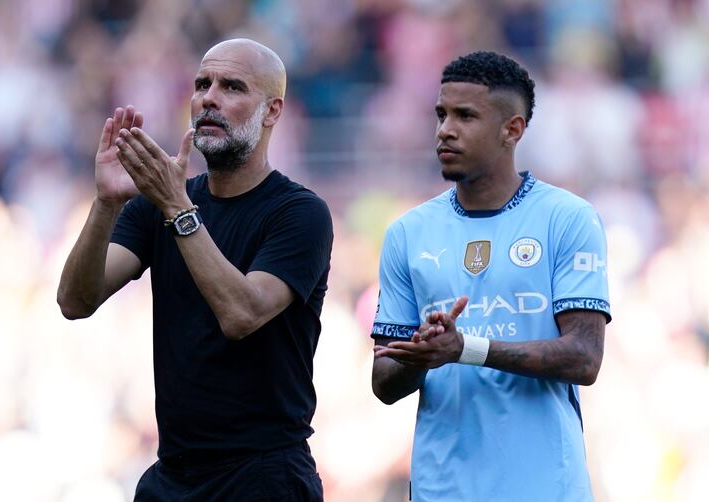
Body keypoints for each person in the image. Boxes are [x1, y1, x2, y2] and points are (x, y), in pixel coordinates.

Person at [57, 38, 331, 501]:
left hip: (264, 475)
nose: (209, 97)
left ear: (272, 111)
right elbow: (75, 301)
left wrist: (177, 207)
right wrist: (106, 204)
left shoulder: (299, 213)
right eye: (202, 84)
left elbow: (242, 314)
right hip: (173, 474)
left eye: (232, 86)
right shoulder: (158, 204)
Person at [371, 51, 611, 501]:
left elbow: (584, 358)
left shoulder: (568, 219)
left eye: (465, 115)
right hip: (442, 489)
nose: (445, 129)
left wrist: (467, 349)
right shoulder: (408, 232)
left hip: (545, 487)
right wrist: (420, 354)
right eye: (441, 114)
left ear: (512, 129)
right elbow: (383, 382)